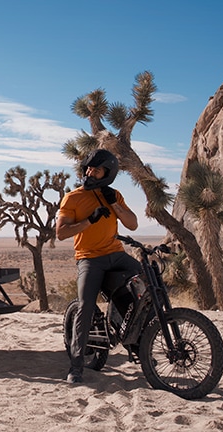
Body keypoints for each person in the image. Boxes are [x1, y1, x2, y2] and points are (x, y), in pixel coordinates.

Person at [55, 149, 140, 384]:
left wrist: (115, 205)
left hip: (117, 255)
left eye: (97, 170)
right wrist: (89, 220)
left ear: (107, 173)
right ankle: (76, 367)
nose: (90, 173)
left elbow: (132, 224)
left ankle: (137, 341)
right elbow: (61, 233)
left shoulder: (114, 195)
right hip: (89, 258)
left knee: (146, 283)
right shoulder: (73, 198)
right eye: (89, 169)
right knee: (85, 306)